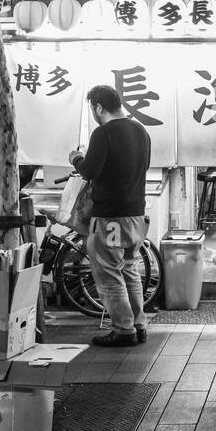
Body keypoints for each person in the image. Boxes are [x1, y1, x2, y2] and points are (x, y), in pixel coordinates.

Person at [70, 84, 152, 348]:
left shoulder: (103, 133)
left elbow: (90, 170)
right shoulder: (140, 130)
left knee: (109, 272)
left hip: (110, 216)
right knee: (129, 268)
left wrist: (76, 159)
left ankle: (123, 329)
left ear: (98, 107)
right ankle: (138, 325)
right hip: (136, 213)